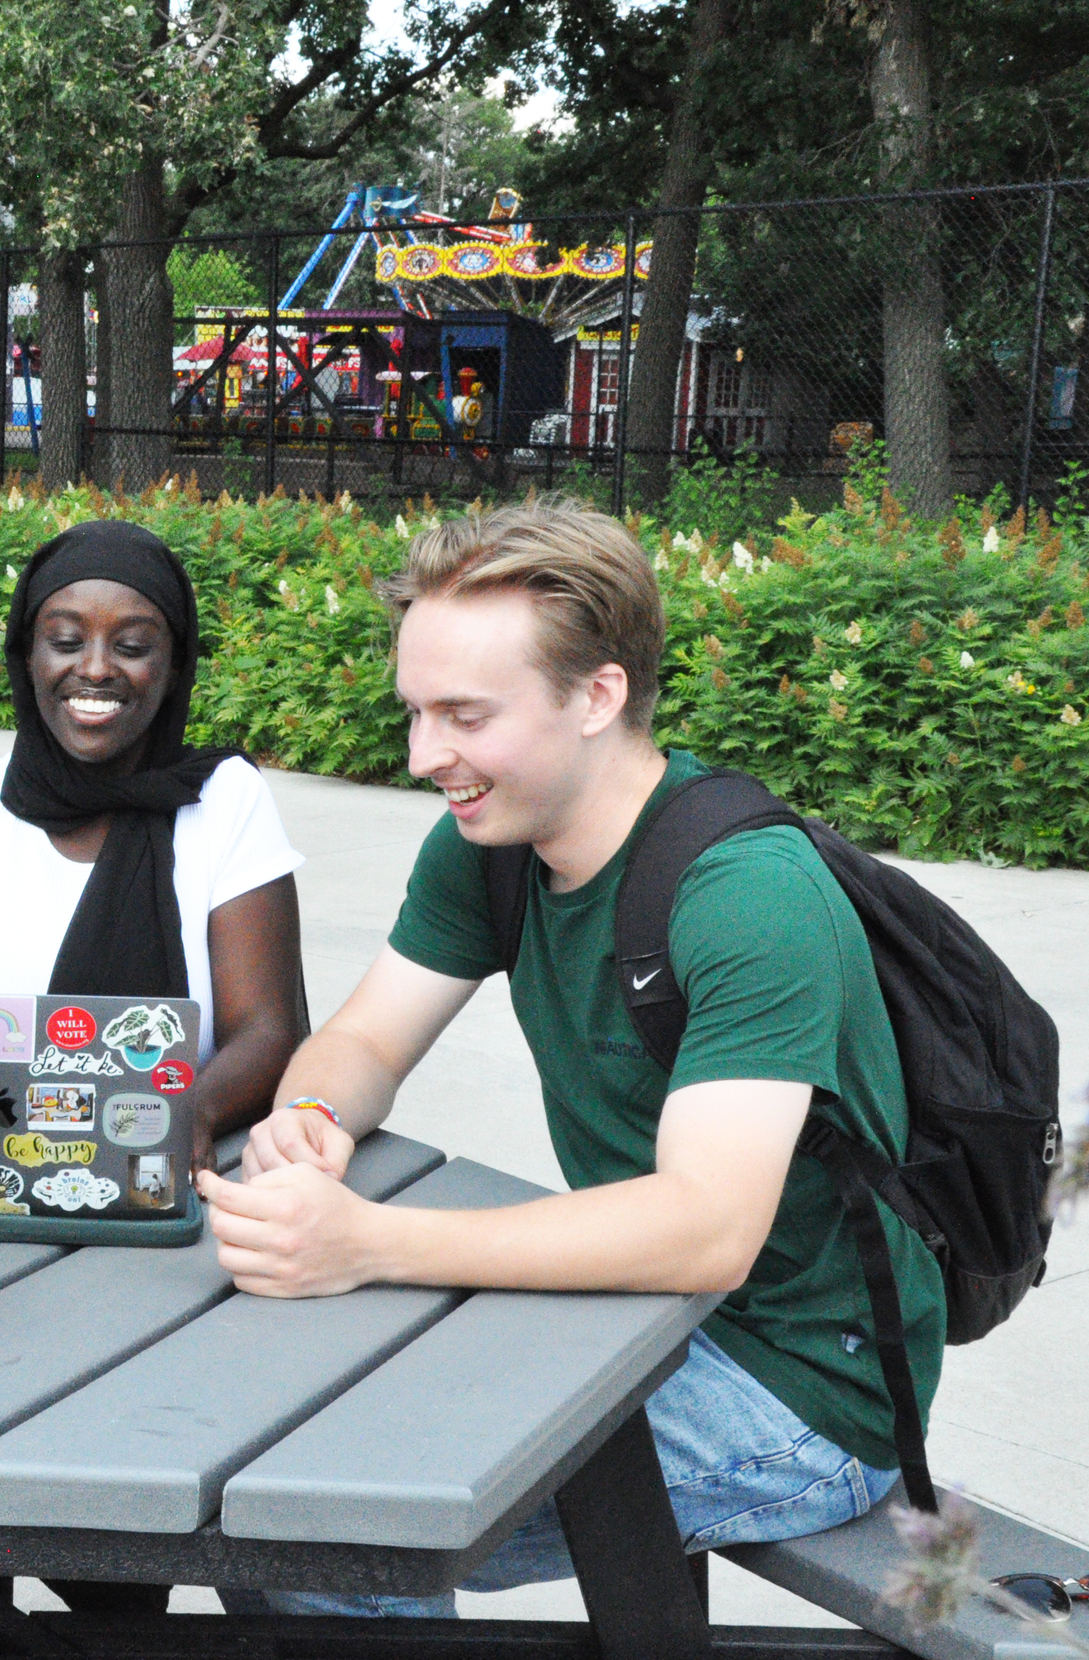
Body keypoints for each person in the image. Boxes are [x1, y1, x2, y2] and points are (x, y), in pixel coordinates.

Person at [205, 499, 940, 1618]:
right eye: (414, 711)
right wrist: (312, 1114)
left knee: (325, 1511)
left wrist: (371, 1241)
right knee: (263, 1422)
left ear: (596, 696)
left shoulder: (748, 897)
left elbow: (706, 1228)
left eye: (462, 714)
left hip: (799, 1391)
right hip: (627, 1320)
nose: (422, 755)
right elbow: (363, 1037)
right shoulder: (486, 838)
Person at [0, 518, 311, 1616]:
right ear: (27, 652)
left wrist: (177, 1106)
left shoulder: (225, 802)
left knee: (119, 1516)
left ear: (175, 663)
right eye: (65, 638)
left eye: (133, 643)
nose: (96, 670)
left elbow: (269, 1028)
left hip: (154, 1216)